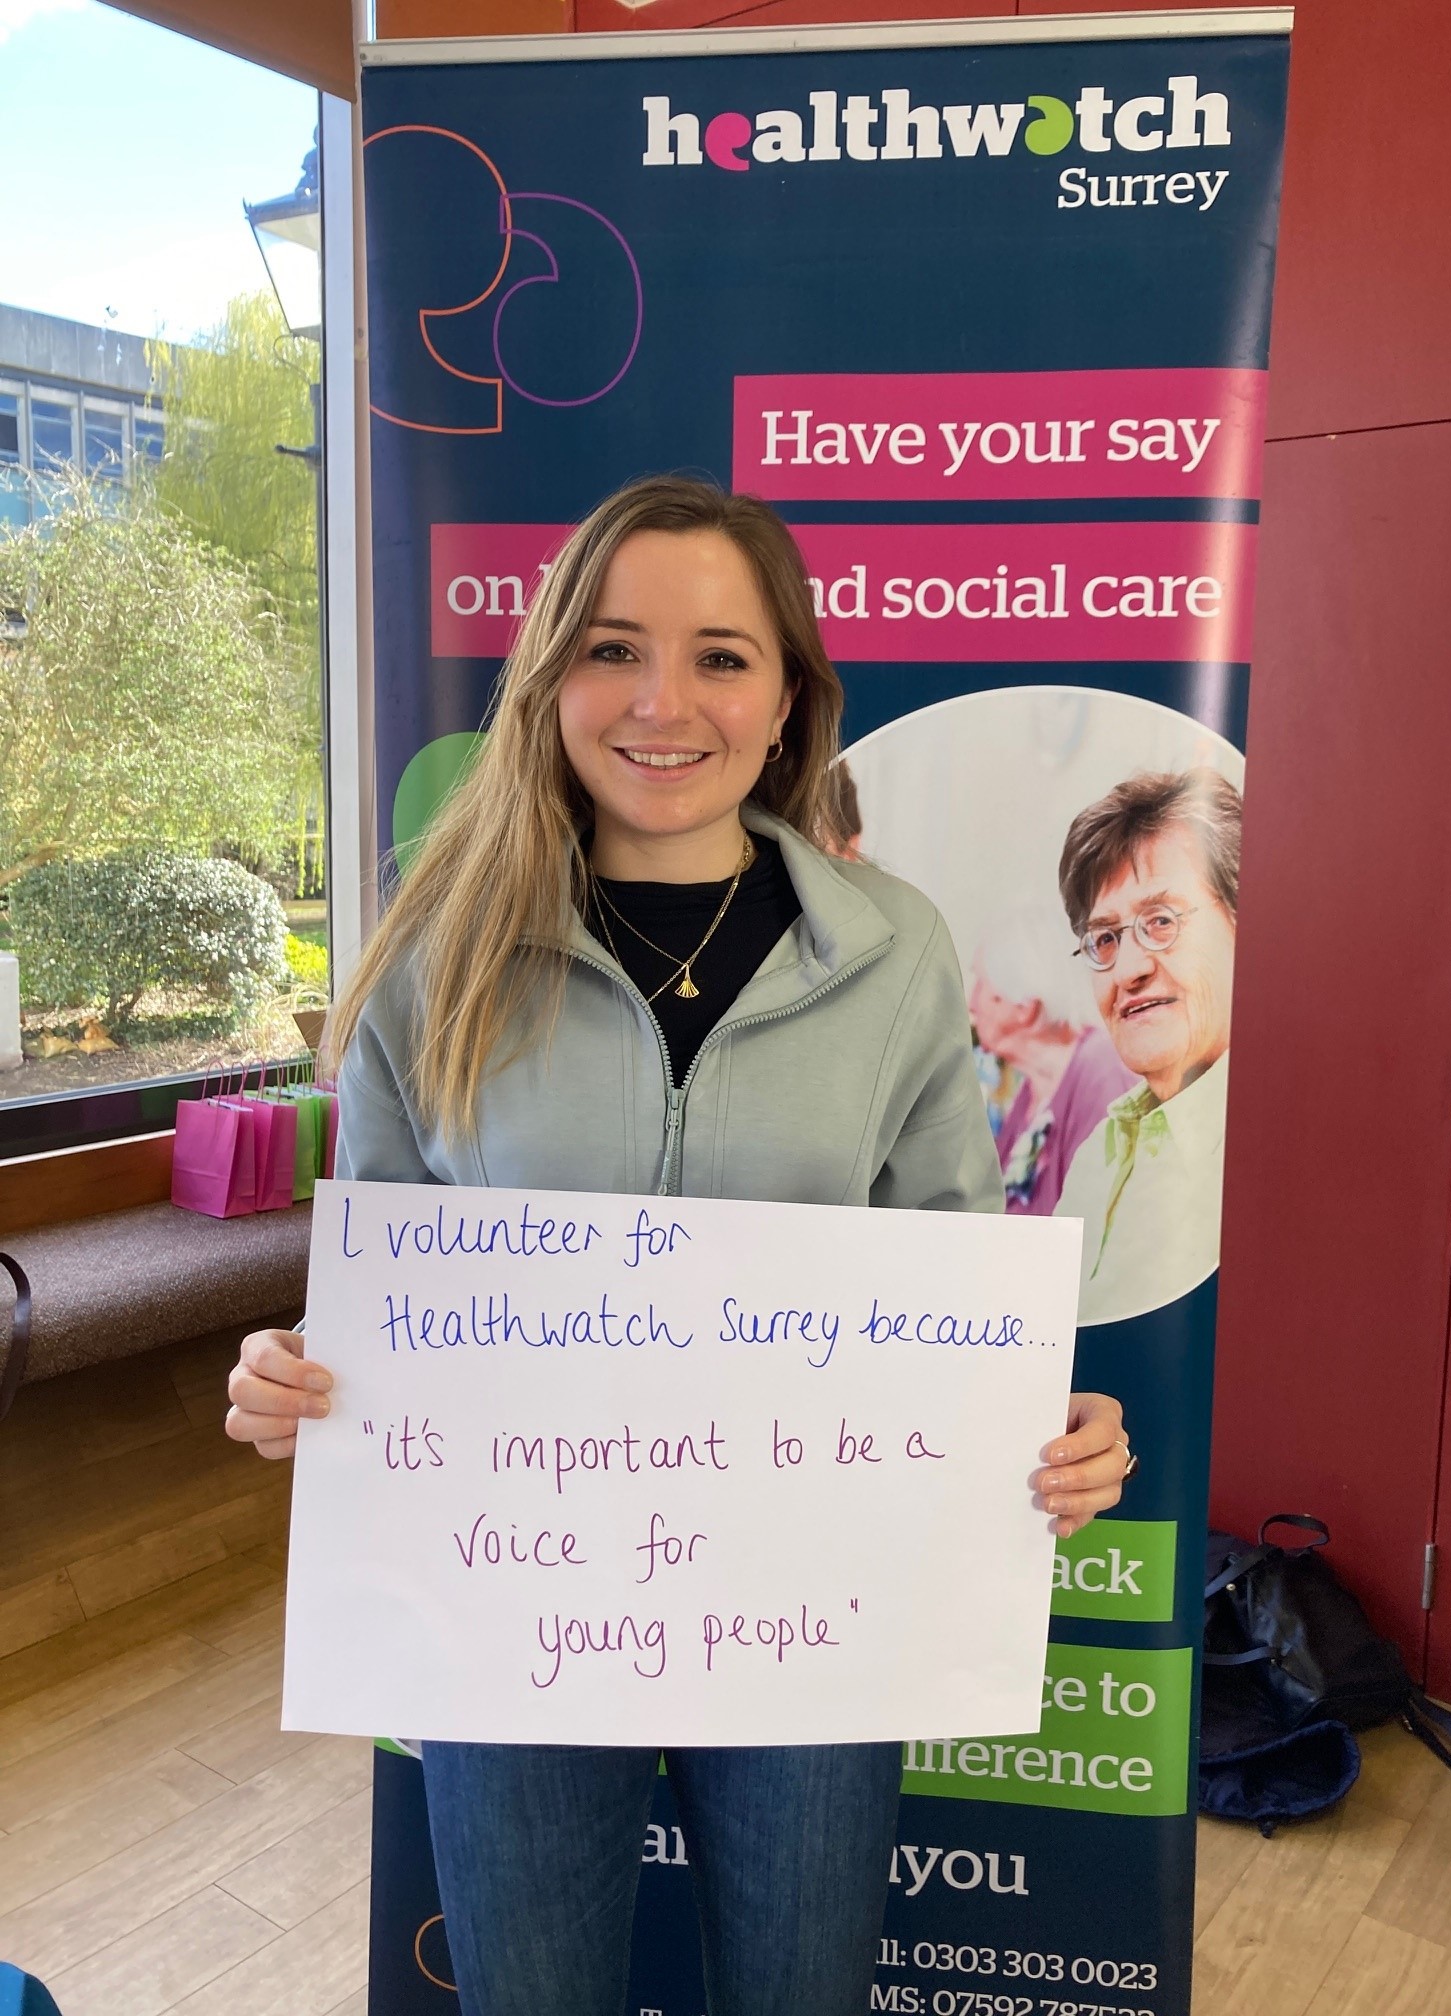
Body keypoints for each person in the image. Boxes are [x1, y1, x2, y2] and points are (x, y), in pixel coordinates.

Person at [224, 477, 1133, 2016]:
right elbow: (377, 1283)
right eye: (612, 649)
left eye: (721, 655)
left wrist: (1034, 1423)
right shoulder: (434, 943)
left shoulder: (894, 944)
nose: (664, 701)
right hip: (511, 1608)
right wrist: (294, 1383)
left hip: (817, 1602)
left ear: (787, 699)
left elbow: (949, 1262)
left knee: (801, 1991)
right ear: (549, 679)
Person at [1053, 767, 1242, 1324]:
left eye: (1161, 921)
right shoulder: (1097, 1153)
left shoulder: (1285, 1149)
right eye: (1105, 938)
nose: (1131, 969)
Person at [969, 906, 1137, 1214]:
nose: (971, 1004)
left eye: (981, 984)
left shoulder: (1101, 1075)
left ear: (1024, 1008)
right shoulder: (1032, 1090)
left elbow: (1094, 1222)